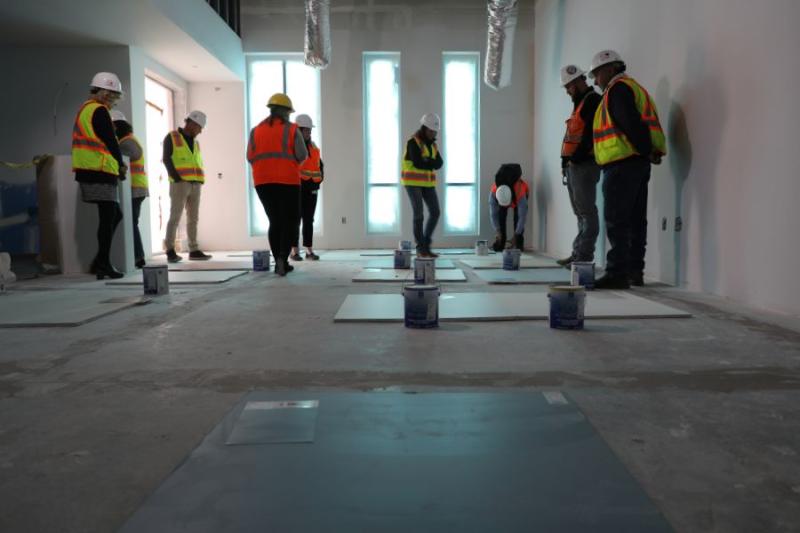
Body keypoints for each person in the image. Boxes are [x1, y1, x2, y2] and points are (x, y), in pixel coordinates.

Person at [589, 50, 666, 289]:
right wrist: (647, 152)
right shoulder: (634, 89)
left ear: (610, 69)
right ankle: (634, 271)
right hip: (636, 164)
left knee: (617, 220)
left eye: (597, 74)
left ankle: (617, 273)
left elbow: (631, 124)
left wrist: (643, 149)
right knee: (635, 220)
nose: (595, 80)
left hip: (622, 164)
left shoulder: (618, 90)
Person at [71, 72, 126, 279]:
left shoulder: (85, 109)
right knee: (108, 217)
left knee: (112, 215)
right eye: (112, 95)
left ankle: (100, 262)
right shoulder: (100, 111)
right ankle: (102, 264)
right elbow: (110, 142)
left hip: (90, 169)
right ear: (104, 93)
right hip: (99, 171)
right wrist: (120, 164)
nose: (114, 100)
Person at [247, 93, 308, 276]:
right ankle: (283, 257)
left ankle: (278, 260)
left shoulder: (255, 130)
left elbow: (250, 157)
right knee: (291, 221)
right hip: (288, 181)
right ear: (286, 112)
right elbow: (302, 154)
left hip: (263, 183)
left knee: (275, 220)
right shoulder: (291, 129)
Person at [557, 64, 602, 269]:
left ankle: (583, 256)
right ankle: (578, 253)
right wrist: (566, 162)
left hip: (584, 165)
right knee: (580, 213)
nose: (567, 91)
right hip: (574, 166)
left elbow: (590, 136)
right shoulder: (580, 102)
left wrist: (575, 158)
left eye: (568, 87)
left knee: (587, 213)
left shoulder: (592, 101)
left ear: (577, 82)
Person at [162, 110, 211, 263]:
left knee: (193, 218)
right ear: (191, 123)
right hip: (180, 184)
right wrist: (176, 178)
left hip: (196, 184)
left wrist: (200, 180)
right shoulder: (172, 137)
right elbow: (166, 159)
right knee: (175, 217)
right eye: (199, 127)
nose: (200, 131)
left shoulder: (196, 143)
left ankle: (193, 249)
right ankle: (170, 250)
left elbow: (197, 163)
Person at [401, 113, 443, 258]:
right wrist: (428, 162)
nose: (433, 133)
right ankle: (421, 248)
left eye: (435, 131)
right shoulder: (413, 142)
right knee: (419, 215)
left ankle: (425, 243)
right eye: (431, 130)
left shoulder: (433, 146)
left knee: (436, 212)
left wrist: (427, 161)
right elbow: (418, 162)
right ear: (424, 129)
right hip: (412, 183)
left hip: (427, 184)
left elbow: (440, 163)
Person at [111, 110, 148, 269]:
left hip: (134, 189)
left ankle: (138, 257)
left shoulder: (127, 143)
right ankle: (138, 257)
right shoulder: (128, 140)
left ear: (116, 126)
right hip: (136, 188)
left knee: (131, 223)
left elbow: (121, 161)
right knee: (132, 222)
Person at [290, 114, 323, 261]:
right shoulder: (292, 147)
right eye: (307, 131)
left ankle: (309, 251)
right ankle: (294, 252)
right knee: (295, 220)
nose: (309, 133)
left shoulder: (314, 146)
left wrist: (319, 179)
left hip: (312, 187)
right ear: (298, 130)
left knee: (309, 219)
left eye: (310, 131)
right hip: (297, 187)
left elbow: (319, 165)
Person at [488, 163, 529, 251]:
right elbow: (493, 215)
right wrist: (497, 231)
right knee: (501, 217)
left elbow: (522, 218)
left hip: (519, 197)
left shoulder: (520, 194)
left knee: (517, 218)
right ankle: (501, 243)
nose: (507, 206)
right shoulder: (493, 195)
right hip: (506, 198)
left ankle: (518, 244)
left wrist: (516, 235)